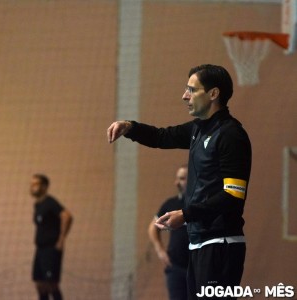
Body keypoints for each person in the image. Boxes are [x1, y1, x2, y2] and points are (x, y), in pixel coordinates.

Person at [107, 64, 252, 299]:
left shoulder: (230, 135)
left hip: (220, 244)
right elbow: (161, 136)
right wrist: (130, 127)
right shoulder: (198, 129)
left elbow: (233, 197)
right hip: (199, 242)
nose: (184, 96)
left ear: (213, 94)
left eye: (191, 90)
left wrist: (185, 214)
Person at [148, 165, 189, 300]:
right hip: (175, 267)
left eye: (182, 179)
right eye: (177, 178)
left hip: (198, 267)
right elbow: (153, 227)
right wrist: (160, 251)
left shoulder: (202, 204)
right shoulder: (170, 204)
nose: (176, 183)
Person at [30, 174, 73, 300]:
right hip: (40, 249)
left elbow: (67, 216)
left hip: (50, 249)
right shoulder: (38, 205)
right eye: (31, 184)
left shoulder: (50, 202)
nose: (32, 187)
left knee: (51, 284)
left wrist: (61, 239)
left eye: (35, 184)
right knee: (39, 283)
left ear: (44, 186)